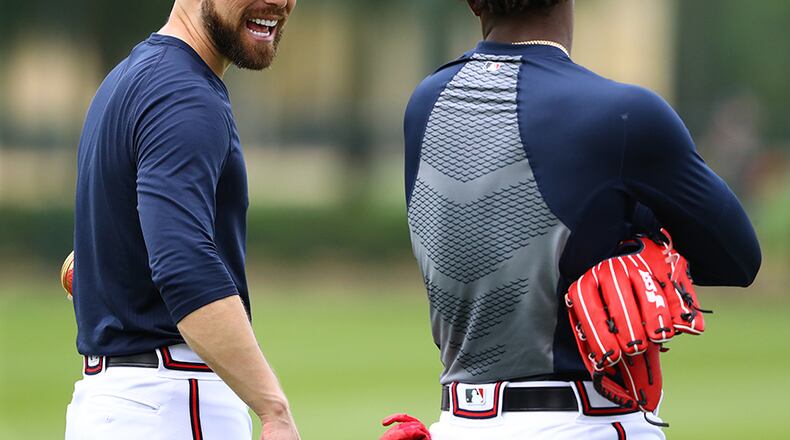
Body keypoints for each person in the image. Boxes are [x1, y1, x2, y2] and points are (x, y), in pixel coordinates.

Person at [398, 1, 761, 439]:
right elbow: (738, 260)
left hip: (460, 424)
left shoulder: (426, 102)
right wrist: (636, 228)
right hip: (584, 422)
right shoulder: (623, 113)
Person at [66, 1, 300, 439]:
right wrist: (273, 408)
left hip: (112, 403)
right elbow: (183, 265)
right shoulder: (184, 95)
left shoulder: (129, 78)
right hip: (171, 402)